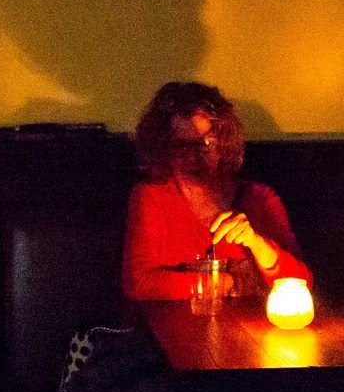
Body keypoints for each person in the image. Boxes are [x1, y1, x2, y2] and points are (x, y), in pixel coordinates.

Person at [121, 81, 311, 302]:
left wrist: (257, 242)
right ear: (163, 147)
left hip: (247, 324)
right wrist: (231, 282)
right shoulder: (151, 197)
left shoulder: (260, 199)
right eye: (181, 146)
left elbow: (302, 283)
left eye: (205, 143)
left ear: (224, 142)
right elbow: (138, 283)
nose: (194, 157)